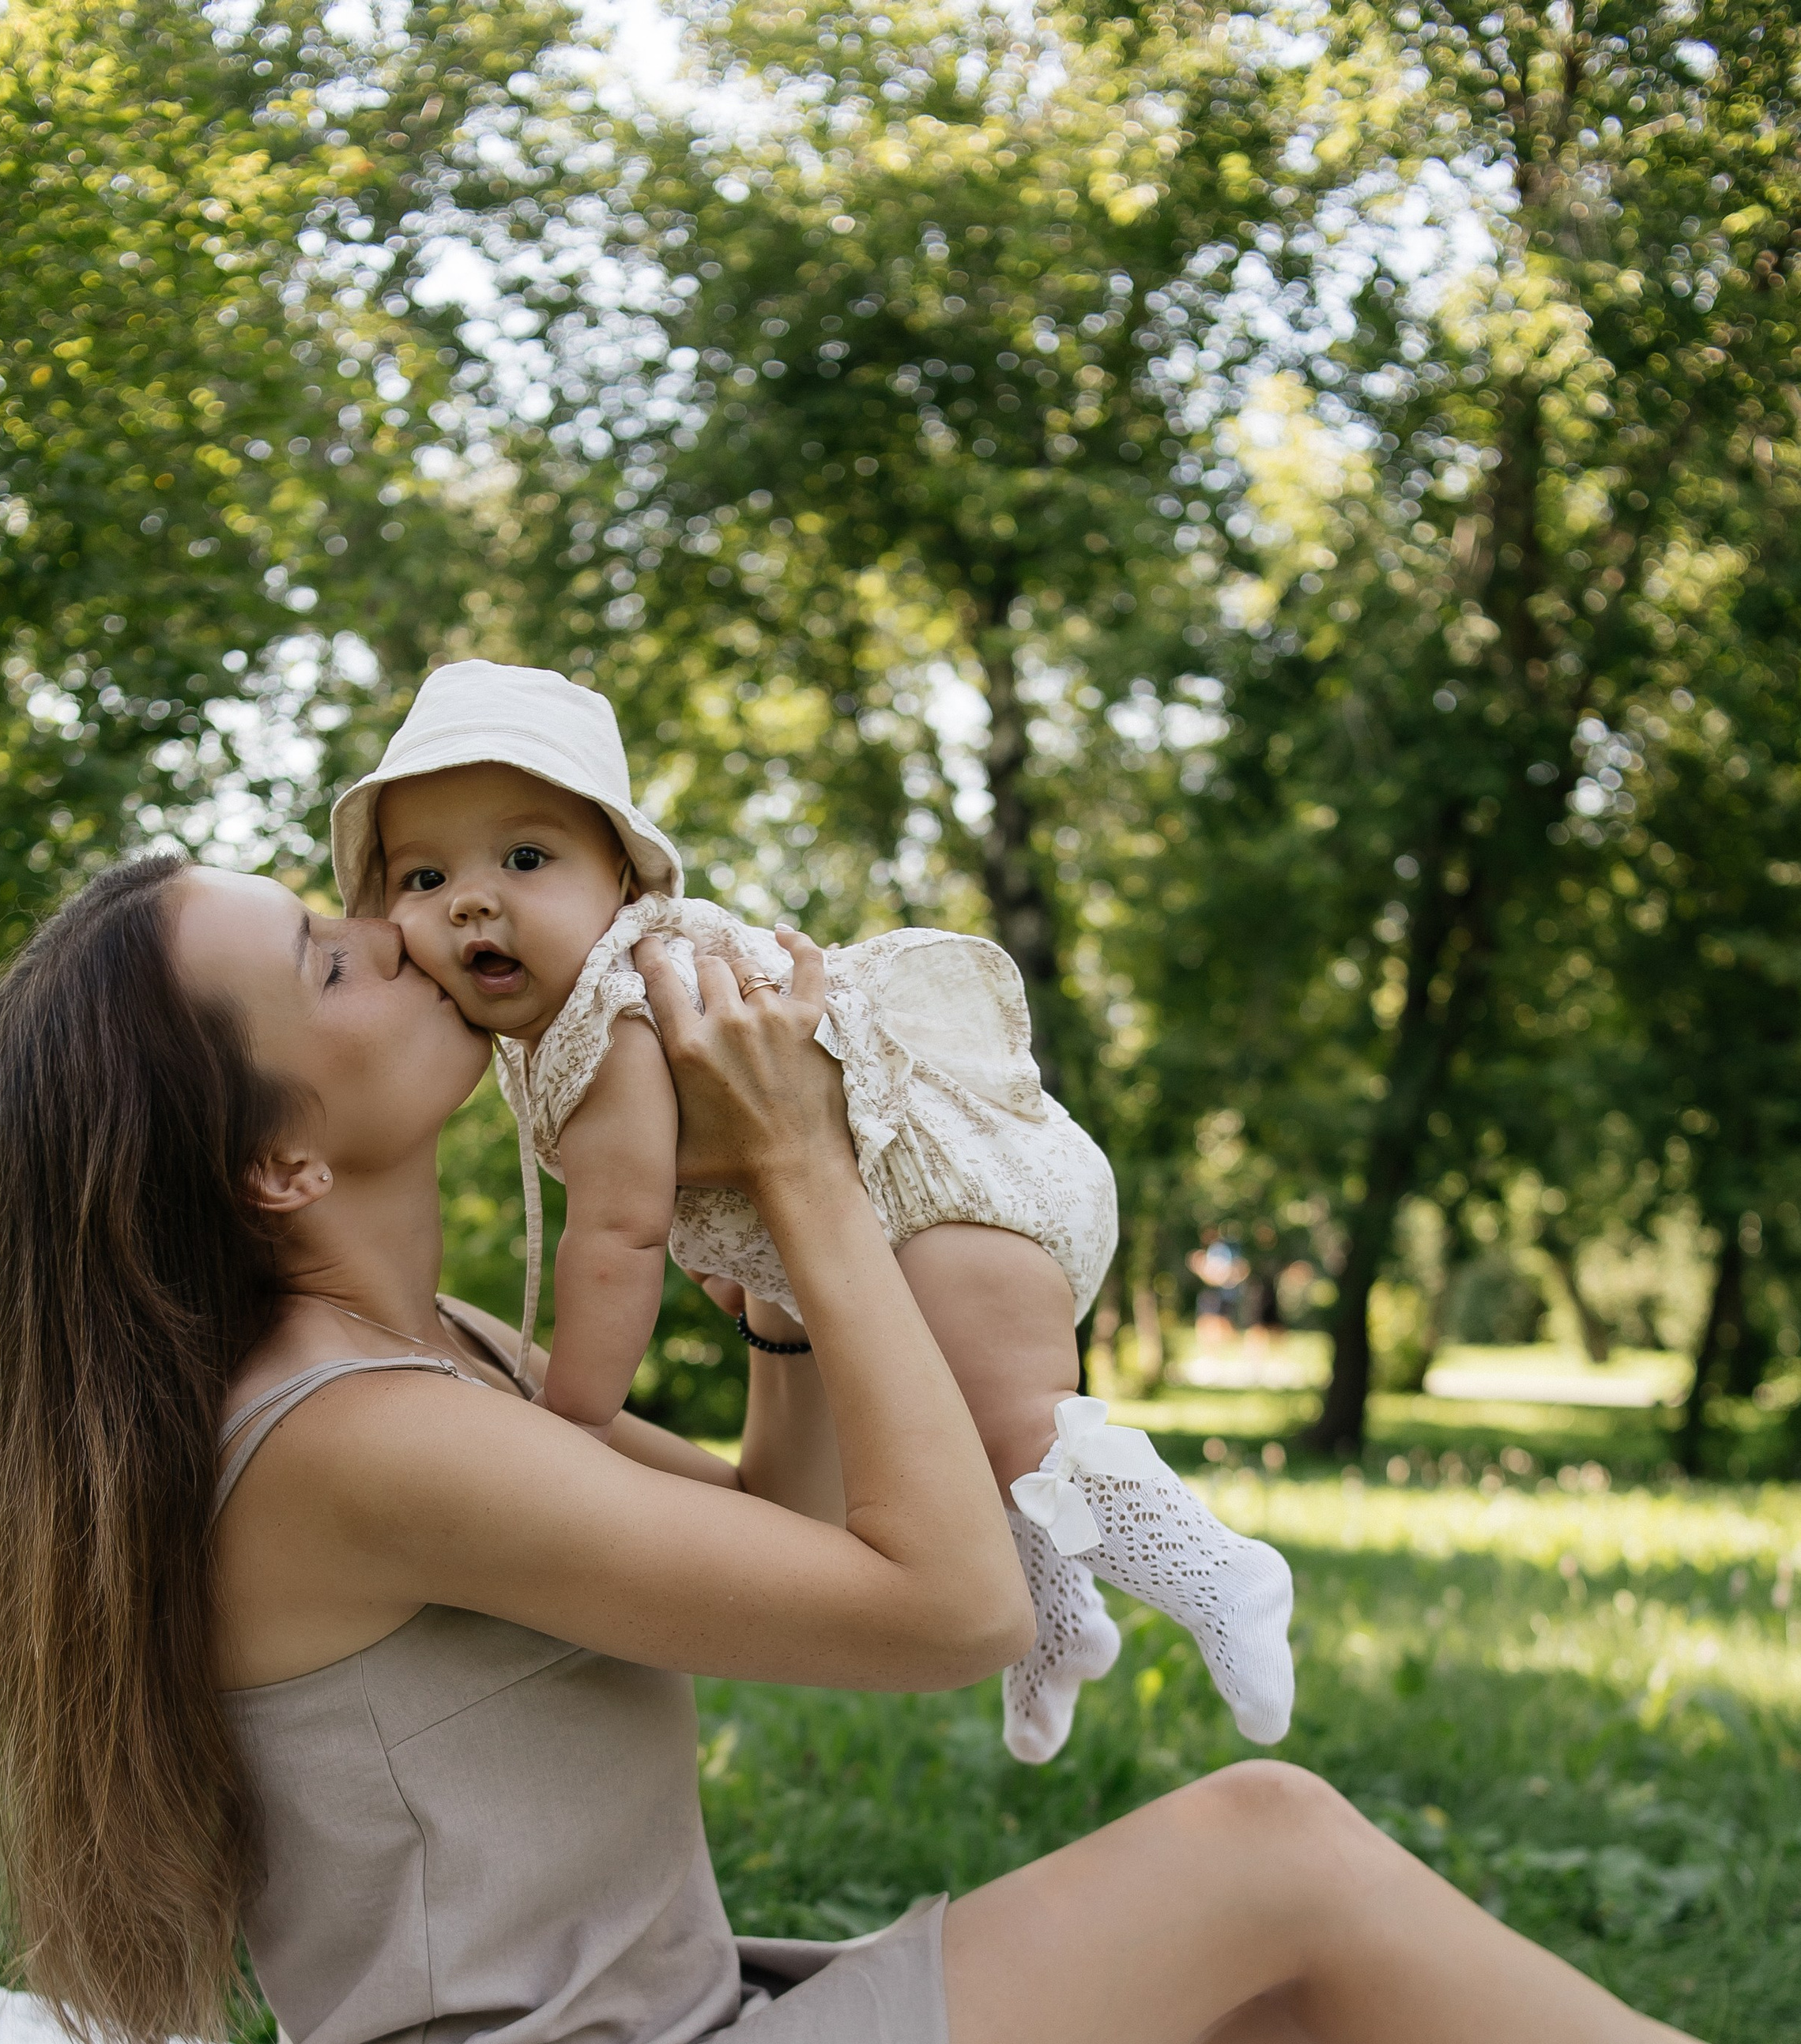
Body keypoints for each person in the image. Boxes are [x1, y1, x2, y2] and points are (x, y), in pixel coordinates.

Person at [0, 851, 1801, 2044]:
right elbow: (948, 1604)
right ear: (278, 1165)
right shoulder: (357, 1441)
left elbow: (784, 1532)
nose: (409, 933)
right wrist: (818, 1168)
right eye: (332, 964)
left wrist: (760, 1246)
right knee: (1264, 1853)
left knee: (1296, 1960)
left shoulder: (430, 1363)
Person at [330, 660, 1294, 1761]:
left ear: (625, 883)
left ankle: (1220, 1573)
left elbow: (619, 1238)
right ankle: (1055, 1626)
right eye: (420, 876)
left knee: (1015, 1420)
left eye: (527, 857)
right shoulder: (569, 1034)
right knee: (984, 1451)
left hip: (957, 1196)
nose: (470, 898)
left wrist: (578, 1422)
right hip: (914, 1213)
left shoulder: (613, 1023)